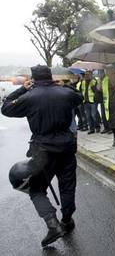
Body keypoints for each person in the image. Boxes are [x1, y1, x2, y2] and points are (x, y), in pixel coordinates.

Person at [1, 65, 83, 247]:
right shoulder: (64, 92)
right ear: (51, 77)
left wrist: (23, 88)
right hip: (67, 147)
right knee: (68, 185)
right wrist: (64, 85)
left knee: (36, 189)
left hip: (43, 151)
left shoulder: (29, 96)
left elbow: (5, 108)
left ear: (34, 79)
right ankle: (67, 220)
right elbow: (79, 97)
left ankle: (53, 225)